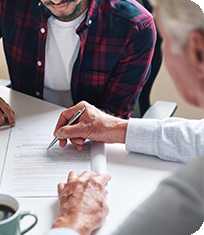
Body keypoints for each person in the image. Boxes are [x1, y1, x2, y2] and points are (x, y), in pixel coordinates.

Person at [43, 0, 204, 234]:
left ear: (198, 51)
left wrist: (72, 221)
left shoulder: (192, 189)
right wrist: (115, 128)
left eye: (165, 40)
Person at [0, 0, 156, 129]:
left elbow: (112, 117)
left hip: (89, 141)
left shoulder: (134, 27)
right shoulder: (5, 3)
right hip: (21, 126)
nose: (57, 1)